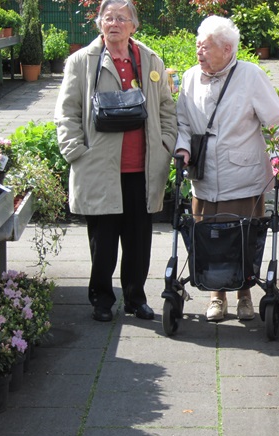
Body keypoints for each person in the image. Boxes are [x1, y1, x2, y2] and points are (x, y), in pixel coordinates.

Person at [54, 0, 177, 322]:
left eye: (122, 18)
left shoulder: (150, 59)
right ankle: (102, 299)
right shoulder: (81, 61)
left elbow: (166, 107)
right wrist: (75, 150)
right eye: (108, 18)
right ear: (99, 24)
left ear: (133, 26)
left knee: (139, 240)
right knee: (103, 241)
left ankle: (136, 299)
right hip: (99, 167)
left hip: (143, 166)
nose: (114, 24)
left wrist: (166, 143)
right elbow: (66, 112)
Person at [175, 16, 279, 322]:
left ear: (227, 49)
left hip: (243, 177)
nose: (199, 51)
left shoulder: (250, 76)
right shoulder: (189, 78)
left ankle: (244, 296)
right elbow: (183, 123)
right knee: (209, 238)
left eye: (207, 46)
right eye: (198, 45)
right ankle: (216, 297)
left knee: (243, 239)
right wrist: (182, 147)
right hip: (204, 176)